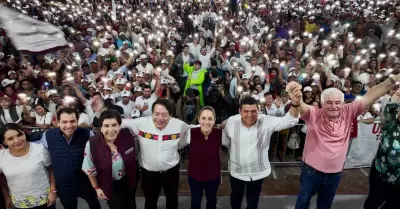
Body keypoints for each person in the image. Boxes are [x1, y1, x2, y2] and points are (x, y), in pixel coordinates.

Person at [291, 74, 400, 209]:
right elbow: (302, 108)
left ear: (343, 103)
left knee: (325, 205)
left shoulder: (349, 111)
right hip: (311, 171)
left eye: (338, 103)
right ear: (321, 103)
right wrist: (296, 100)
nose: (334, 106)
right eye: (329, 103)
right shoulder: (314, 113)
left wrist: (391, 80)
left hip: (335, 173)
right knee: (303, 200)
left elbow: (371, 94)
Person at [222, 94, 301, 209]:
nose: (250, 115)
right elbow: (225, 141)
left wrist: (295, 104)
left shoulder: (267, 121)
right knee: (235, 198)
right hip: (237, 171)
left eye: (254, 111)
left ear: (259, 110)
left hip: (258, 172)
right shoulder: (231, 122)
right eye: (246, 111)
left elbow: (291, 121)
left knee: (253, 201)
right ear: (239, 111)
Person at [121, 98, 199, 209]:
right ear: (152, 113)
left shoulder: (179, 125)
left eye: (164, 115)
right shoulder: (140, 123)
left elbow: (194, 129)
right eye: (156, 114)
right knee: (150, 200)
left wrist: (217, 126)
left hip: (171, 171)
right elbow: (120, 122)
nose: (160, 118)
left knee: (172, 199)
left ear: (171, 115)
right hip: (149, 173)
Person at [35, 107, 100, 209]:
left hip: (86, 181)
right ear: (58, 122)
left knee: (95, 205)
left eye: (72, 121)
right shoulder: (48, 136)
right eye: (64, 122)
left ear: (77, 121)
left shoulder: (87, 133)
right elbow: (40, 153)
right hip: (63, 185)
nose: (69, 126)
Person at [82, 110, 137, 209]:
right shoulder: (92, 144)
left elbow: (135, 155)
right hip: (108, 183)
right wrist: (97, 188)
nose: (111, 130)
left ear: (120, 126)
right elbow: (90, 170)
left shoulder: (128, 135)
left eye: (114, 125)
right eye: (106, 126)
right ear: (101, 128)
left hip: (127, 180)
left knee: (131, 205)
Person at [0, 123, 56, 209]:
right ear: (4, 142)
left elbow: (51, 170)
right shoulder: (2, 156)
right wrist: (6, 196)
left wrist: (53, 191)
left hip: (45, 200)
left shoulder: (39, 149)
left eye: (19, 135)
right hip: (19, 203)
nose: (17, 140)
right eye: (10, 139)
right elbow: (2, 179)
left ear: (24, 133)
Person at [363, 86, 400, 209]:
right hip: (381, 174)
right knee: (373, 202)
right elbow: (390, 107)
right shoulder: (390, 125)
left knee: (394, 204)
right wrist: (398, 92)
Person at [181, 106, 222, 209]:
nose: (206, 122)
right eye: (203, 118)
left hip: (213, 176)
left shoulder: (220, 134)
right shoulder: (191, 132)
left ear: (214, 120)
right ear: (198, 119)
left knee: (212, 201)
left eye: (210, 119)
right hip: (195, 176)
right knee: (195, 202)